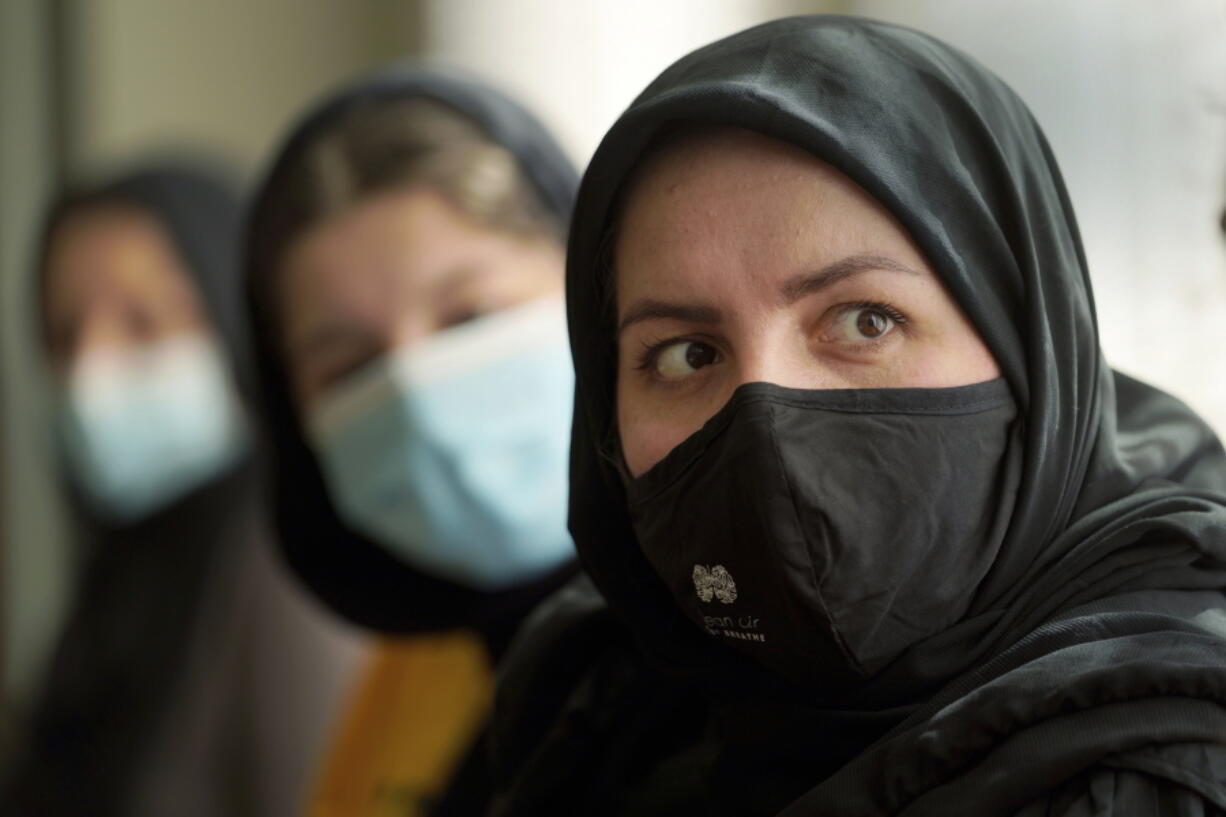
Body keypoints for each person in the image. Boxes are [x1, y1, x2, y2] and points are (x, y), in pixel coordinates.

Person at [489, 16, 1226, 816]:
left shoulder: (1154, 766)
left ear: (1030, 348)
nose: (764, 418)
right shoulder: (595, 698)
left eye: (866, 319)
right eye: (687, 354)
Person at [243, 65, 580, 815]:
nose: (414, 393)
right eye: (349, 362)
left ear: (594, 284)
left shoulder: (743, 660)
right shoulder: (412, 666)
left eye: (468, 318)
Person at [2, 161, 367, 817]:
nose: (89, 370)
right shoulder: (116, 578)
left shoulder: (293, 564)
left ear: (239, 323)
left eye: (143, 321)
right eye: (62, 335)